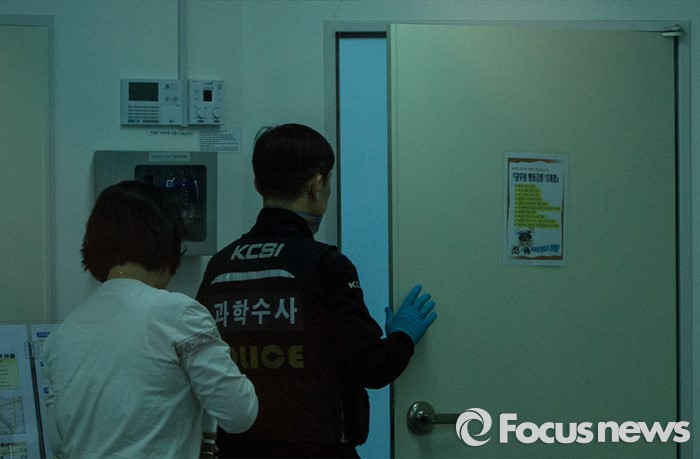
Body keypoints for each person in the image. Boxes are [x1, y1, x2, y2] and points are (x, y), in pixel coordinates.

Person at [196, 123, 437, 458]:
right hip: (318, 448)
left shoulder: (220, 266)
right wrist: (403, 337)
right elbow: (370, 367)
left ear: (257, 184)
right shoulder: (326, 265)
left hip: (237, 449)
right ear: (317, 184)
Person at [43, 180, 258, 458]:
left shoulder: (62, 336)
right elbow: (239, 414)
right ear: (167, 244)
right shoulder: (180, 315)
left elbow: (58, 441)